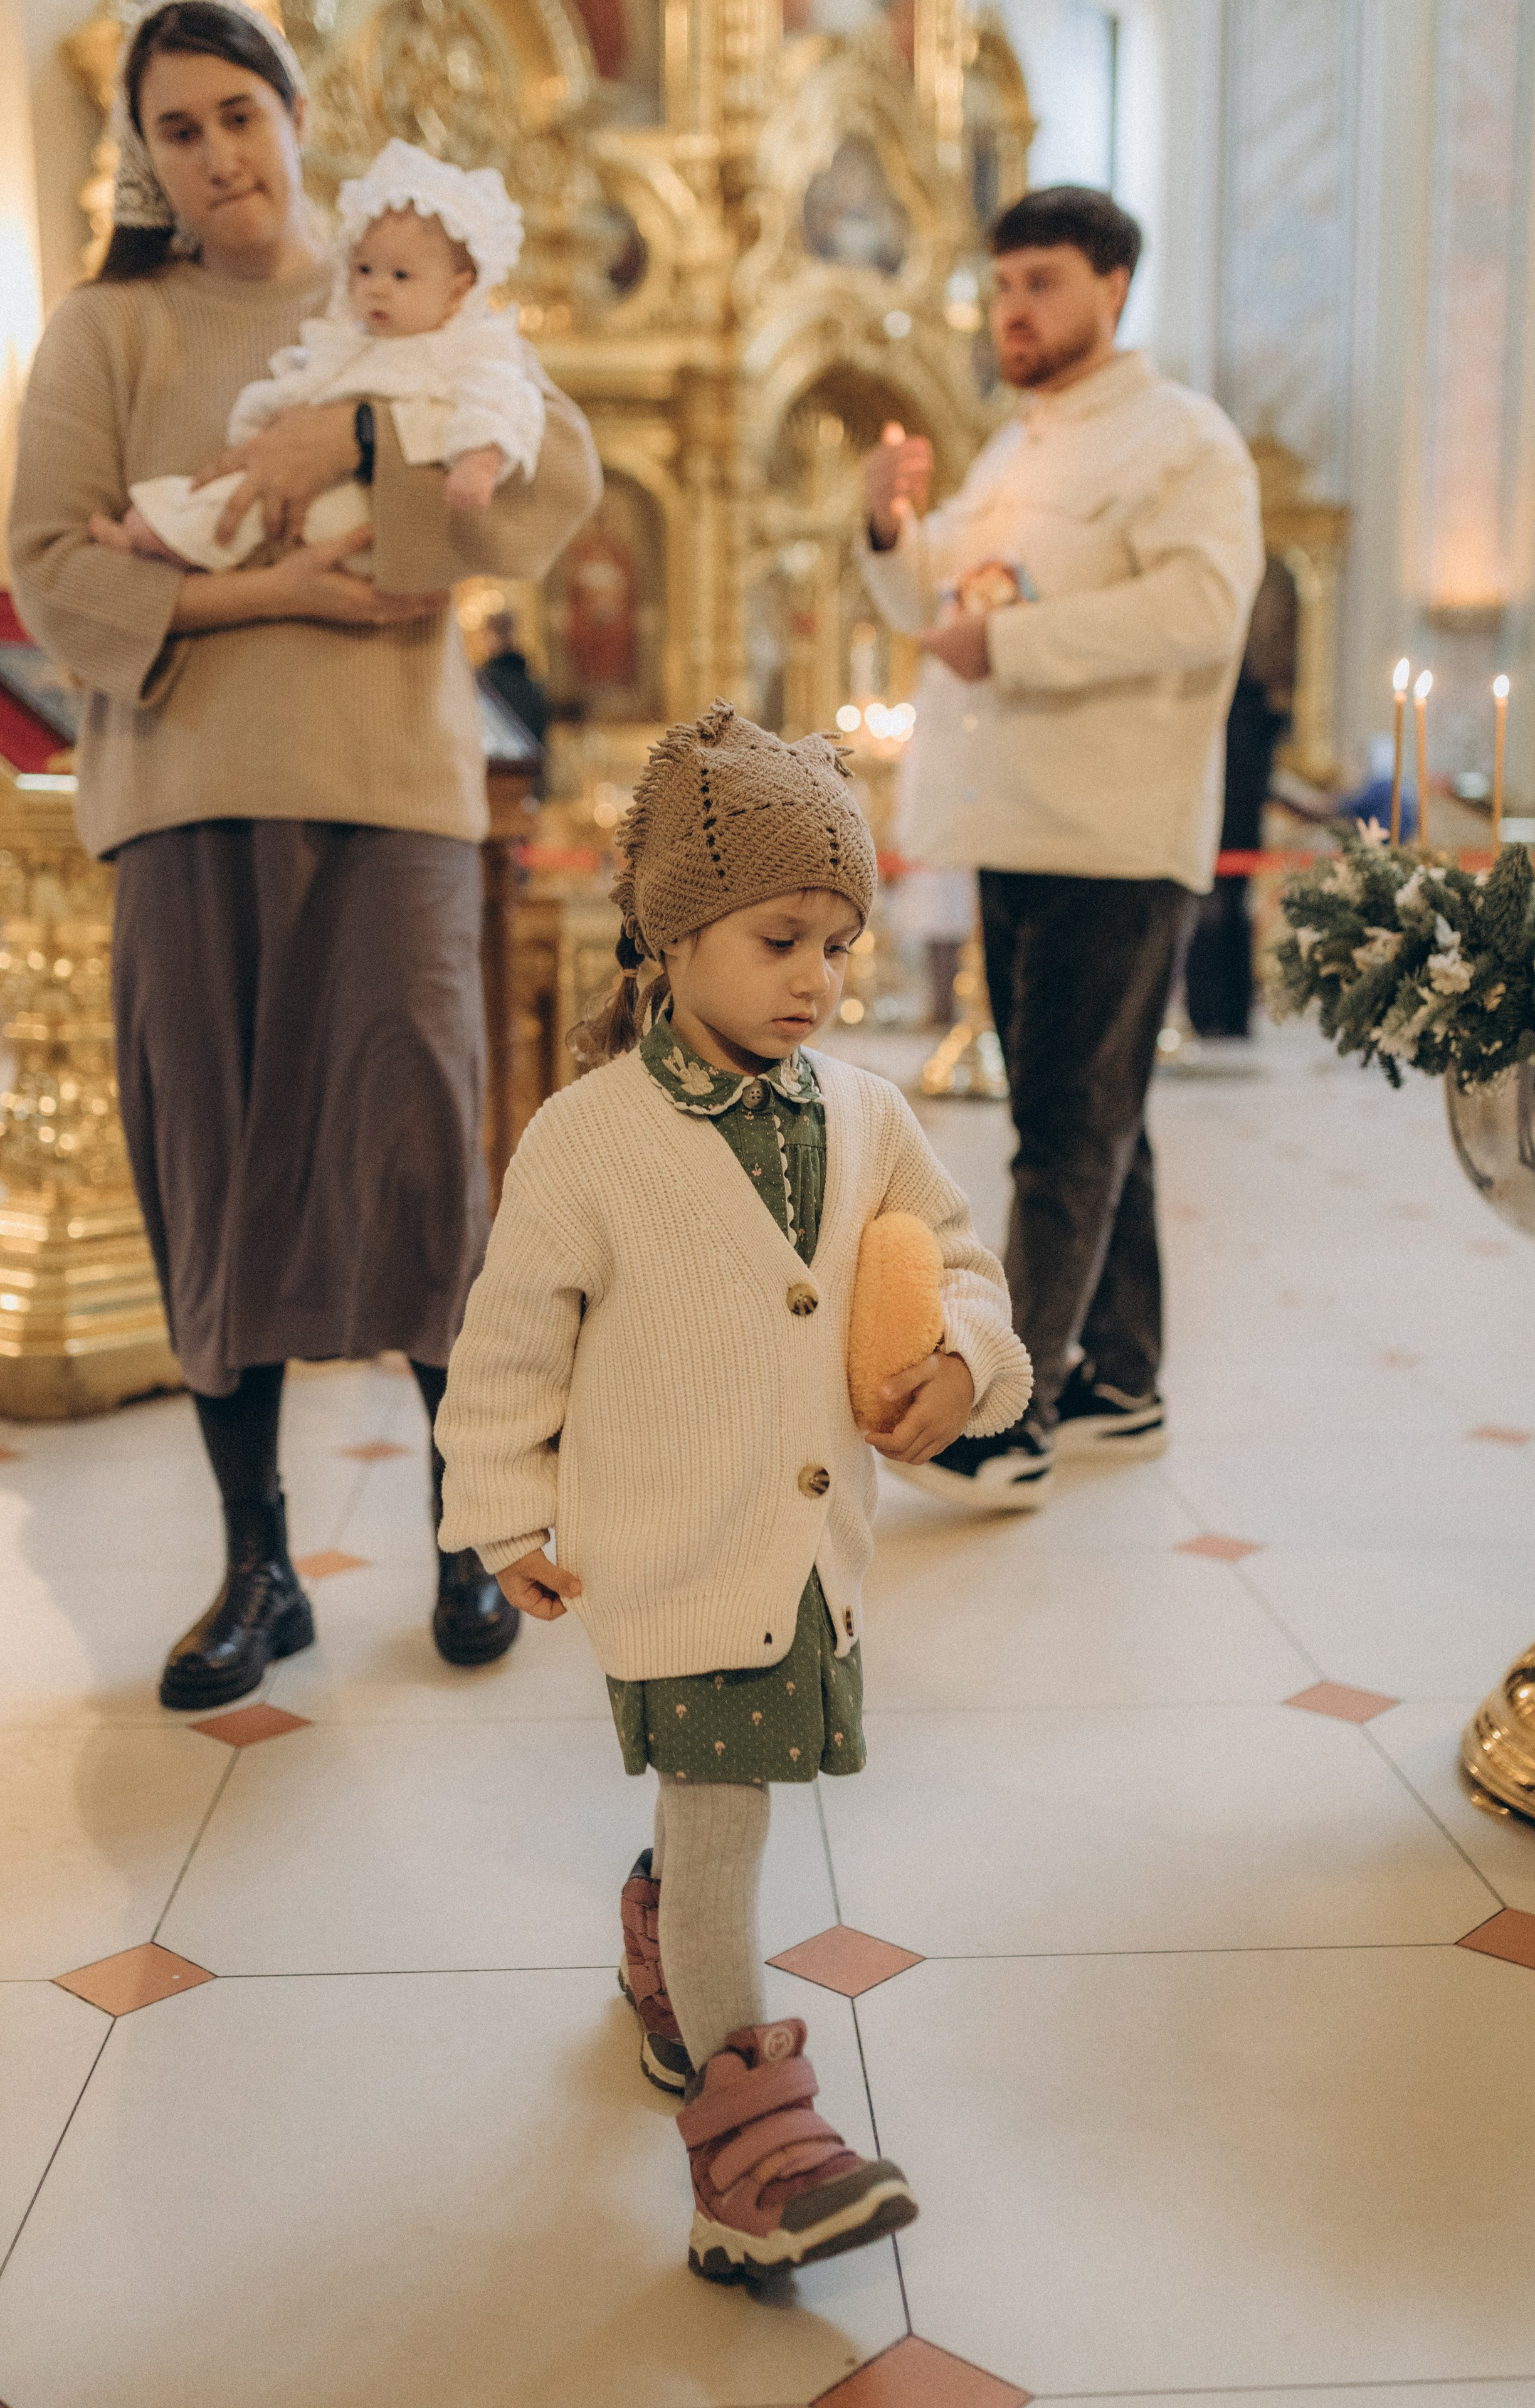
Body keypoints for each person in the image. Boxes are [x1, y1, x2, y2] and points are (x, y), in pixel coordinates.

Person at [8, 0, 602, 1708]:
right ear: (146, 154)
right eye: (176, 129)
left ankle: (470, 1530)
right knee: (212, 1158)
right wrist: (273, 589)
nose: (216, 155)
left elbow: (538, 483)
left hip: (393, 794)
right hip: (187, 791)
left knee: (418, 1149)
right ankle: (256, 1564)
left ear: (293, 112)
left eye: (238, 116)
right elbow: (54, 569)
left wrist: (345, 439)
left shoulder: (401, 279)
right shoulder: (107, 329)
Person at [435, 701, 1031, 2279]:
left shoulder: (867, 1115)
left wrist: (965, 1359)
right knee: (722, 1826)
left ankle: (658, 1954)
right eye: (779, 937)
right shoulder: (586, 1141)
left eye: (837, 942)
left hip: (806, 1560)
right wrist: (500, 1514)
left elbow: (964, 1264)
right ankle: (750, 2146)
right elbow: (506, 1342)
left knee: (723, 1812)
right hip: (671, 1554)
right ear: (674, 931)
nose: (817, 979)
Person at [858, 184, 1262, 1501]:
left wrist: (1015, 646)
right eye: (1001, 284)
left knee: (1061, 1128)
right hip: (1015, 820)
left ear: (1112, 287)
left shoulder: (1179, 443)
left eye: (1038, 282)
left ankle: (1006, 1413)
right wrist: (887, 528)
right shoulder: (1013, 451)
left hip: (1109, 829)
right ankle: (1121, 1379)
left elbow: (1204, 610)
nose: (1010, 309)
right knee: (1097, 1115)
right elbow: (944, 608)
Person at [93, 139, 546, 574]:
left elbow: (502, 403)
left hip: (375, 510)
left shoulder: (473, 345)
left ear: (457, 292)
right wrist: (266, 421)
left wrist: (479, 463)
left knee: (240, 517)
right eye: (365, 269)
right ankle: (164, 538)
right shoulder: (354, 336)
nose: (378, 287)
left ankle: (157, 540)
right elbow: (308, 388)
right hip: (331, 495)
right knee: (242, 504)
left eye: (402, 275)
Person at [1184, 556, 1297, 1040]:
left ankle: (1222, 1012)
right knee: (1215, 909)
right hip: (1214, 818)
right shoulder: (1234, 710)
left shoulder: (1243, 712)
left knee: (1225, 909)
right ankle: (1215, 1012)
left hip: (1229, 822)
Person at [478, 608, 551, 761]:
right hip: (529, 772)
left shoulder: (485, 684)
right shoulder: (534, 685)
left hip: (498, 770)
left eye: (486, 635)